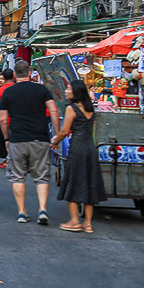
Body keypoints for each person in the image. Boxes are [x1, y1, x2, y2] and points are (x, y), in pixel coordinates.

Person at [0, 61, 59, 225]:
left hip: (17, 139)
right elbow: (53, 110)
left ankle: (22, 212)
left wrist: (6, 138)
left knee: (18, 177)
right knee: (41, 177)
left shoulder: (8, 92)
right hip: (40, 138)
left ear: (15, 75)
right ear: (30, 72)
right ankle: (42, 210)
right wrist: (57, 134)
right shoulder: (41, 90)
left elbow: (3, 120)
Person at [51, 80, 107, 234]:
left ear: (76, 92)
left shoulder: (72, 108)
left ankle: (75, 221)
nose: (66, 91)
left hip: (77, 147)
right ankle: (88, 224)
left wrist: (54, 142)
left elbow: (64, 131)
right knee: (90, 182)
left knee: (73, 181)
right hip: (90, 147)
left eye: (68, 89)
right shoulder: (91, 109)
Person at [0, 68, 15, 169]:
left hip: (5, 120)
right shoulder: (16, 88)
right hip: (17, 119)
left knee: (7, 141)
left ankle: (9, 160)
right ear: (13, 76)